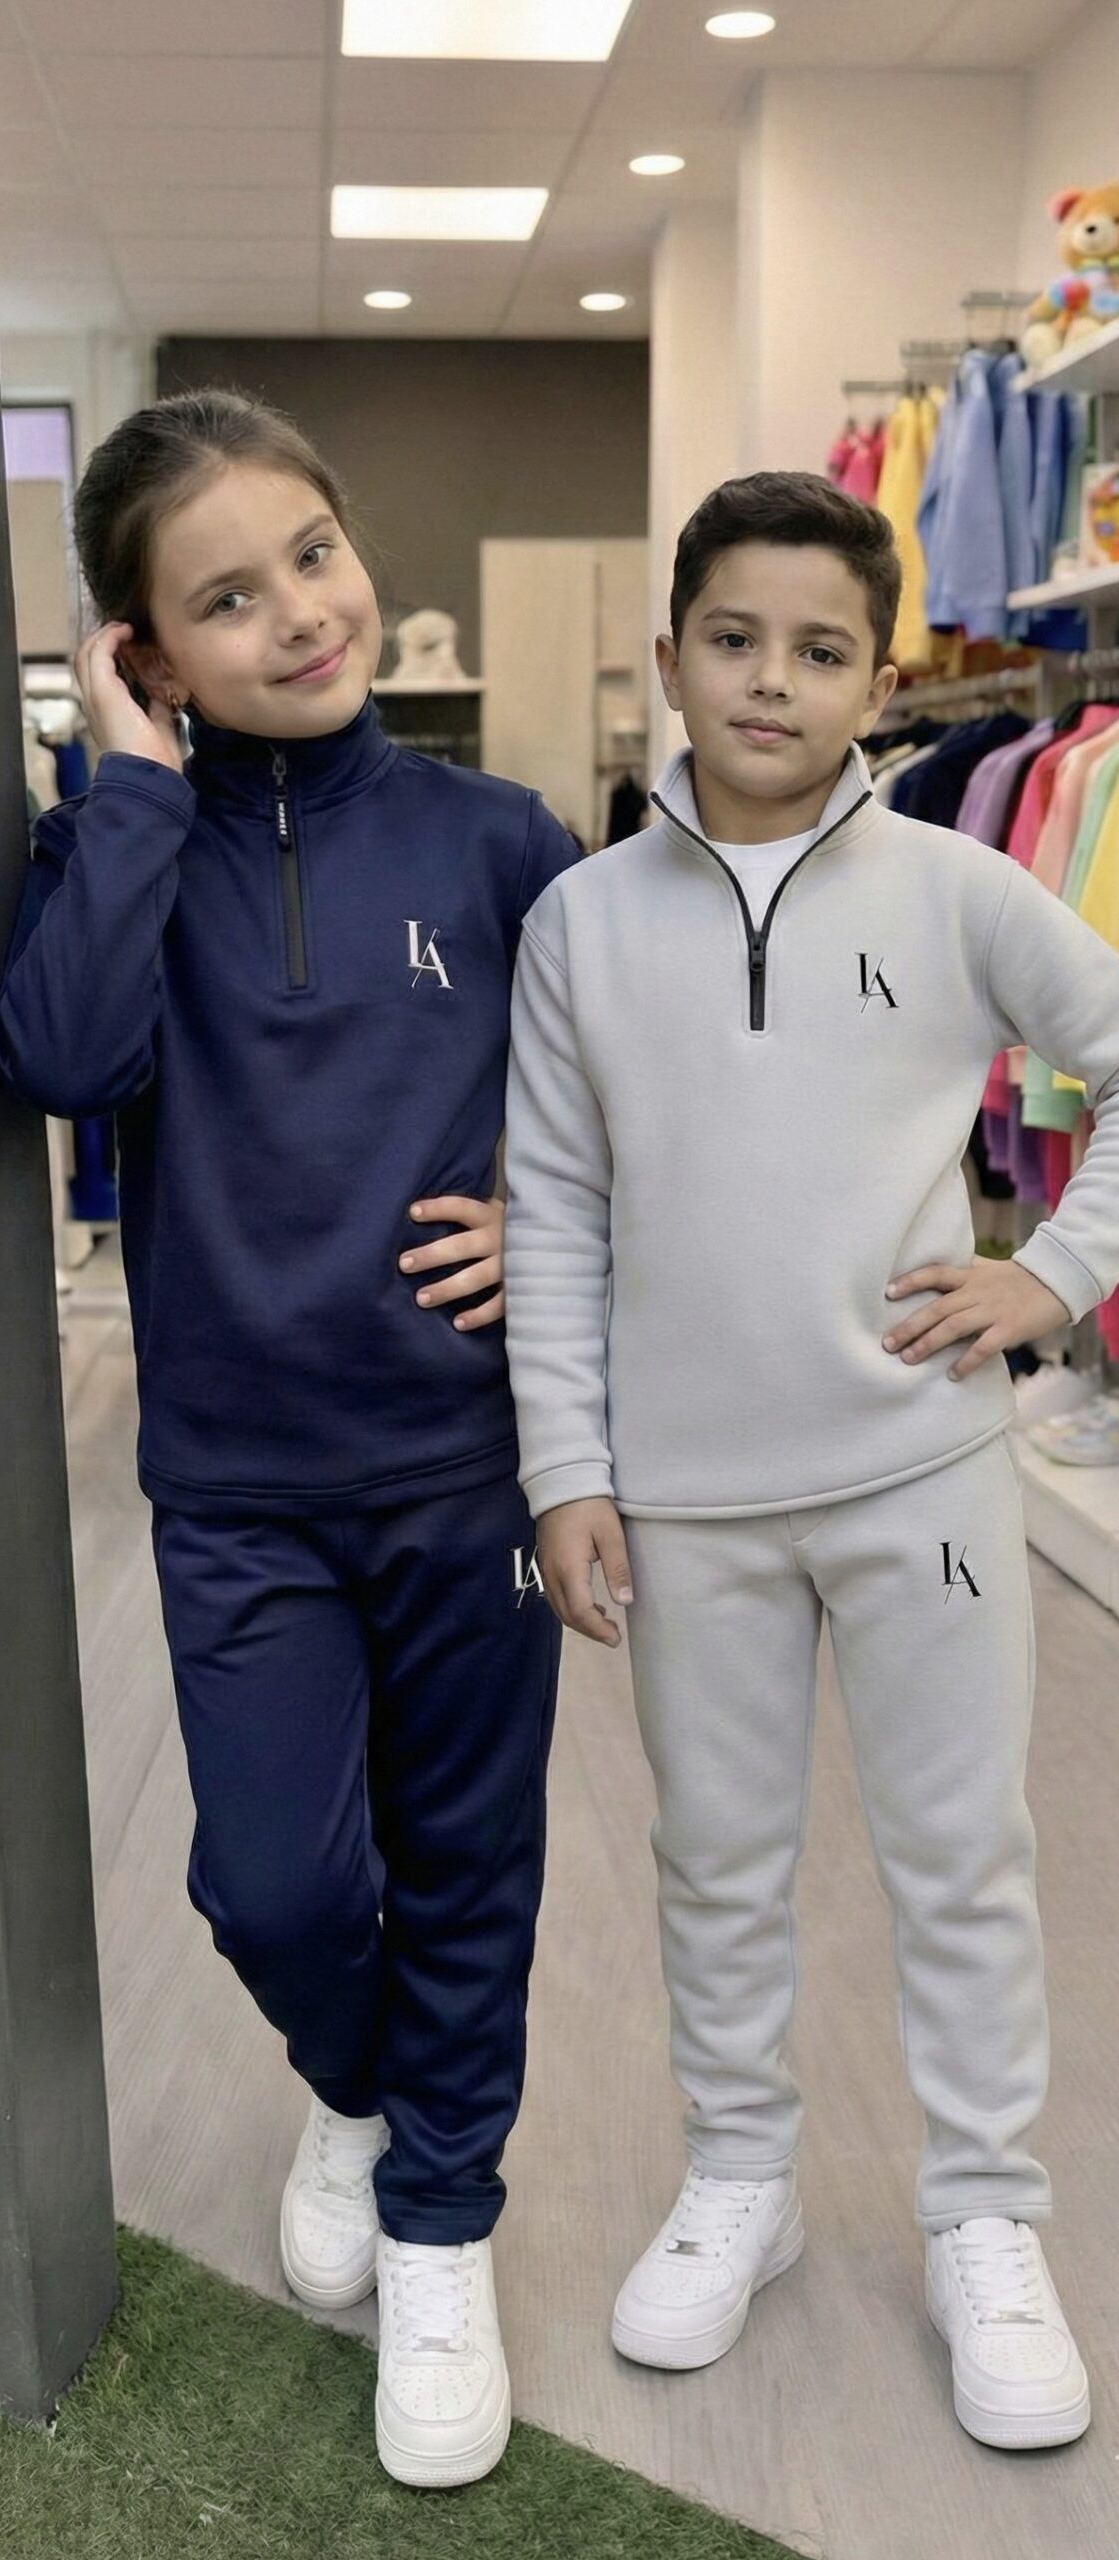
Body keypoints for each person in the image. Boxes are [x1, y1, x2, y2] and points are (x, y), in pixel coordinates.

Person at [0, 389, 578, 2490]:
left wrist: (547, 1221)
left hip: (464, 1469)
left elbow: (628, 1102)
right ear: (145, 652)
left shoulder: (501, 840)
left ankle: (439, 2222)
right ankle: (361, 2086)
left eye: (312, 554)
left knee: (468, 1864)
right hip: (237, 1486)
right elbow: (57, 1060)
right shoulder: (117, 851)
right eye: (224, 600)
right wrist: (129, 790)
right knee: (275, 1883)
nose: (301, 615)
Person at [504, 470, 1119, 2453]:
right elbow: (550, 1207)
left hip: (922, 1486)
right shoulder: (578, 923)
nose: (771, 679)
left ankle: (982, 2215)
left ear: (877, 679)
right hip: (687, 1503)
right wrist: (563, 1466)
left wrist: (1052, 1280)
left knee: (959, 1854)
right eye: (734, 638)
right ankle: (740, 2177)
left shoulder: (957, 888)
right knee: (715, 1858)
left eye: (820, 649)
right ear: (671, 650)